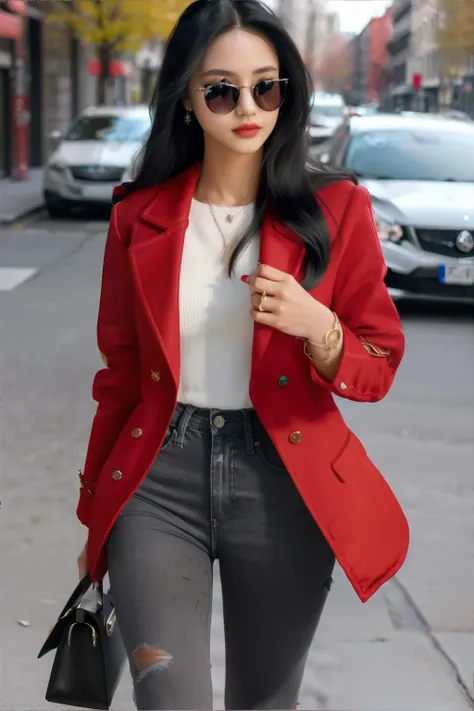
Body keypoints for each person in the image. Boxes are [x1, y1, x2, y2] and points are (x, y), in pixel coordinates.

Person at [76, 0, 409, 708]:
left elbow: (377, 364)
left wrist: (319, 325)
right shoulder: (138, 217)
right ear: (189, 101)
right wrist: (93, 519)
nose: (248, 107)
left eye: (267, 86)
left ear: (286, 92)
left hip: (284, 484)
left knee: (265, 700)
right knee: (170, 698)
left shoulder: (337, 210)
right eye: (223, 90)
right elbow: (120, 379)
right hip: (158, 483)